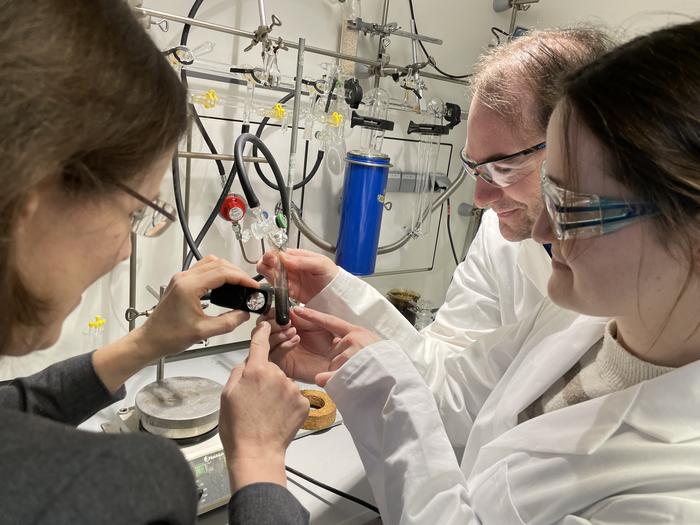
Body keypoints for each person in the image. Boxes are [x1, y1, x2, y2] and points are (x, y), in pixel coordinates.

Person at [266, 20, 700, 523]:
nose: (544, 231)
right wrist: (343, 318)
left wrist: (259, 472)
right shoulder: (583, 323)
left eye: (575, 205)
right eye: (552, 193)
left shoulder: (675, 501)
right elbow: (455, 387)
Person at [0, 2, 309, 524]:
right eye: (132, 213)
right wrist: (259, 461)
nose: (126, 250)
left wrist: (146, 343)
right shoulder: (123, 486)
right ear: (35, 190)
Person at [258, 28, 613, 372]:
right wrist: (338, 295)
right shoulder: (499, 233)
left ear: (583, 151)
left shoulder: (629, 281)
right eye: (475, 168)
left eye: (504, 168)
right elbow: (449, 366)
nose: (481, 198)